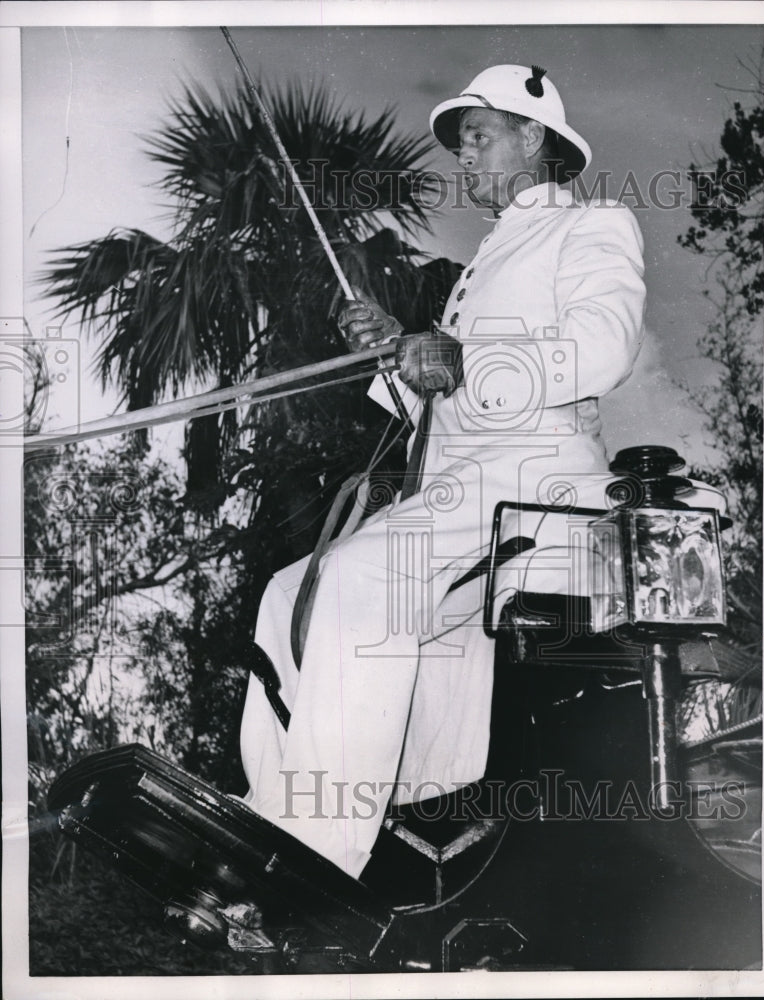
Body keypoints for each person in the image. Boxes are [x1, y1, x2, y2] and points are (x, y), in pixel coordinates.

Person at [239, 64, 646, 880]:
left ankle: (316, 857)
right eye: (462, 146)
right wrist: (394, 351)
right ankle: (278, 830)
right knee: (293, 592)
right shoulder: (487, 262)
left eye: (479, 139)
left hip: (540, 490)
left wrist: (459, 355)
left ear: (534, 139)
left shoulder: (591, 224)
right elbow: (452, 401)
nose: (465, 158)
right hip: (468, 492)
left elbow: (601, 352)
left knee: (357, 584)